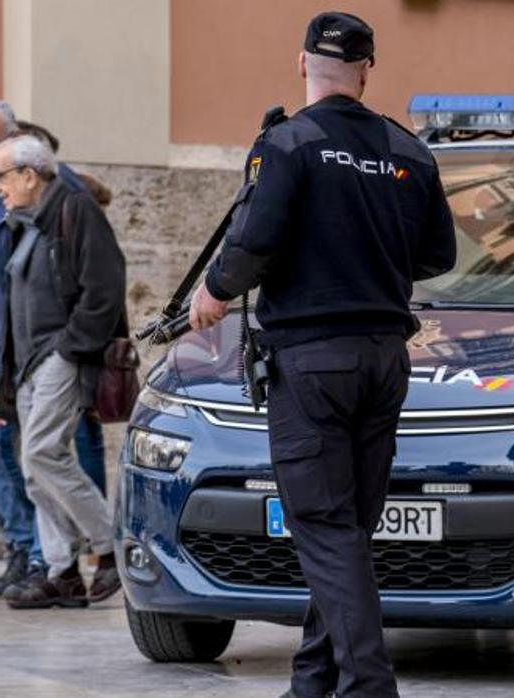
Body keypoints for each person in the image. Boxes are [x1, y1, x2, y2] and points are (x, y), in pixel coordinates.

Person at [189, 13, 456, 697]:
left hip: (311, 362)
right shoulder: (409, 151)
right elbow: (438, 255)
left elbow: (251, 243)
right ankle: (313, 680)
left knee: (323, 527)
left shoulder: (288, 142)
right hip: (383, 359)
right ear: (368, 68)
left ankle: (367, 686)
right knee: (346, 532)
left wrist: (213, 292)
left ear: (300, 62)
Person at [0, 135, 125, 609]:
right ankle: (62, 570)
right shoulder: (23, 224)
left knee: (44, 453)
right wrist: (3, 382)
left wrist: (71, 349)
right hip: (27, 365)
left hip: (59, 356)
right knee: (32, 470)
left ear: (29, 174)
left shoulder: (75, 210)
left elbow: (105, 286)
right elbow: (13, 310)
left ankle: (111, 548)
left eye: (0, 175)